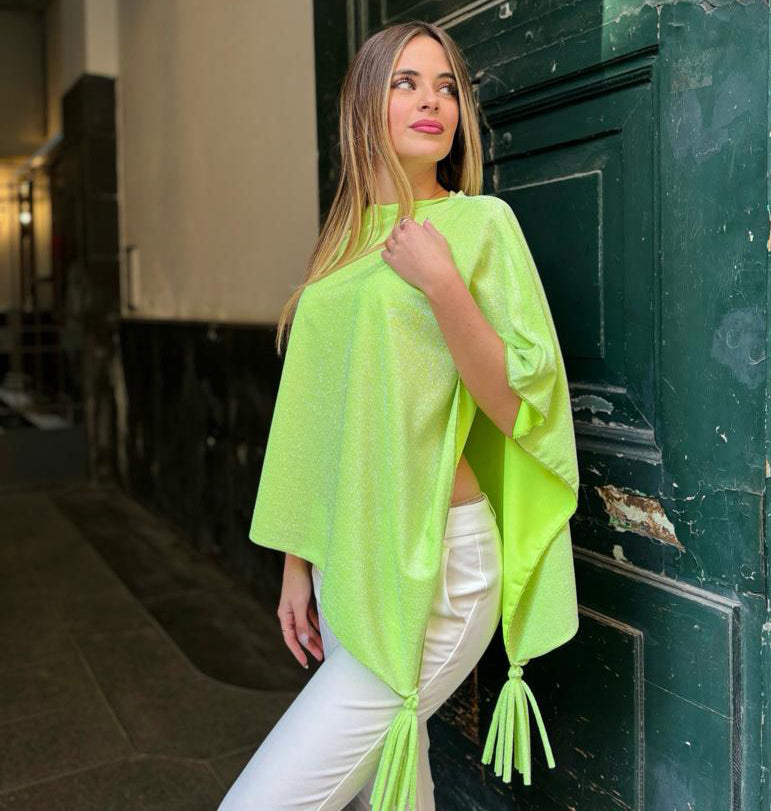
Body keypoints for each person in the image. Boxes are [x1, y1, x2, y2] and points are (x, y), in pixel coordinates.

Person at [218, 18, 579, 811]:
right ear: (363, 106)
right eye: (405, 83)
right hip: (350, 554)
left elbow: (518, 406)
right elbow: (316, 414)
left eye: (446, 87)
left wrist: (443, 284)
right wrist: (296, 560)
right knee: (389, 792)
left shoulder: (482, 224)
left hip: (438, 561)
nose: (432, 101)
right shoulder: (342, 245)